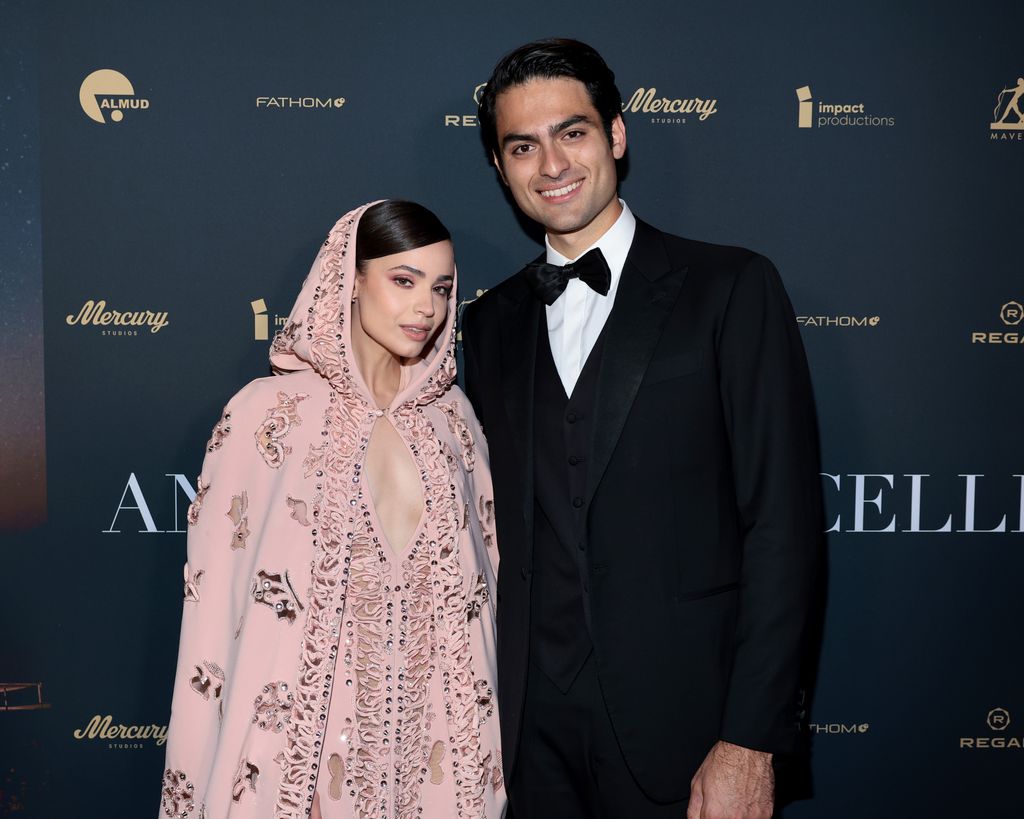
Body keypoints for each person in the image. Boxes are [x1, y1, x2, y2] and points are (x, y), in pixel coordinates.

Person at [461, 39, 822, 819]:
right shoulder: (486, 325)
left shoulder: (731, 288)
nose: (551, 163)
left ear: (617, 135)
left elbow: (784, 529)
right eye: (523, 145)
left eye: (573, 132)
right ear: (501, 167)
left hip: (689, 732)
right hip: (526, 737)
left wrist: (751, 740)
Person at [160, 200, 505, 819]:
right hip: (305, 780)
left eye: (442, 287)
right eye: (404, 280)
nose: (427, 307)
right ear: (350, 278)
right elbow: (212, 619)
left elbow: (483, 616)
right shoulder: (267, 416)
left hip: (441, 777)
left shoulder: (455, 423)